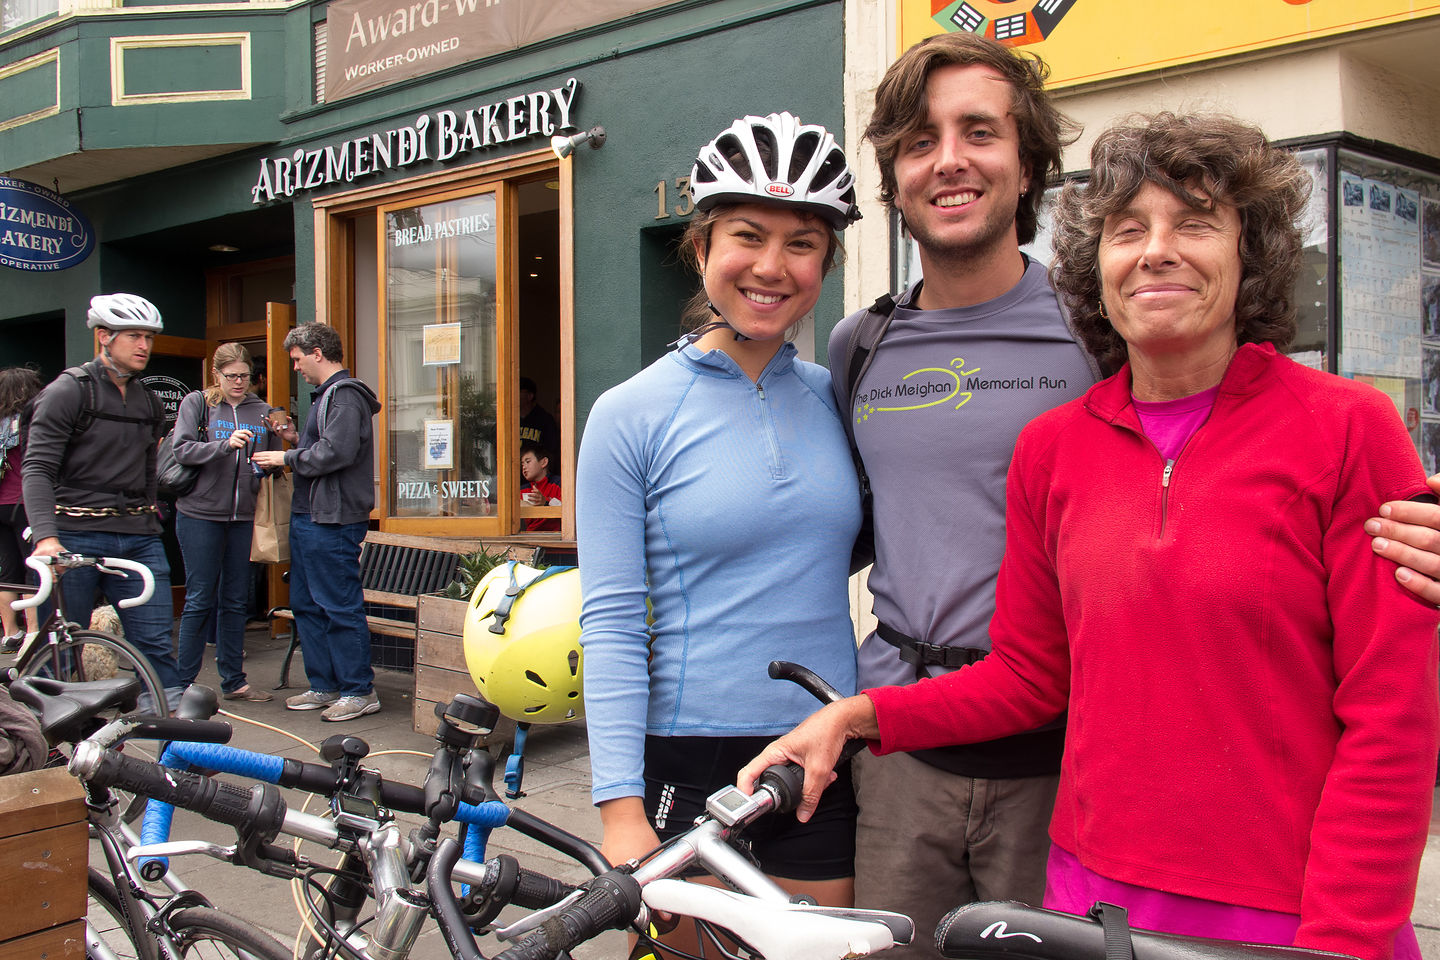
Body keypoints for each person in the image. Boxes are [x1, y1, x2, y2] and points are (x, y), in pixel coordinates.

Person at [741, 112, 1440, 960]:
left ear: (1249, 252)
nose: (1156, 251)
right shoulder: (1055, 446)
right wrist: (858, 716)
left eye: (1195, 223)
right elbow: (1032, 676)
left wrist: (1346, 939)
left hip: (1284, 912)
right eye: (1127, 229)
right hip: (1090, 897)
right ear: (1095, 264)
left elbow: (1392, 720)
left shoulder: (1345, 429)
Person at [577, 111, 864, 906]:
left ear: (825, 263)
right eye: (748, 235)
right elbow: (608, 621)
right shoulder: (629, 414)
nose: (772, 266)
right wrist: (619, 807)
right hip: (688, 756)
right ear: (702, 247)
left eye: (802, 243)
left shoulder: (836, 397)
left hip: (820, 744)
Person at [21, 293, 186, 710]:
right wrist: (45, 537)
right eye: (133, 335)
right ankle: (46, 735)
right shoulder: (68, 391)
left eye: (148, 337)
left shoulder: (148, 400)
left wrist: (151, 513)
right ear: (103, 336)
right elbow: (37, 468)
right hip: (74, 534)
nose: (144, 345)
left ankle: (173, 735)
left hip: (137, 536)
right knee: (59, 646)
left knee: (155, 640)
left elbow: (147, 467)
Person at [252, 322, 381, 723]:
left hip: (332, 519)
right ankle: (325, 685)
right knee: (307, 604)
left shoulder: (344, 396)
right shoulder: (329, 397)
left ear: (317, 353)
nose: (295, 368)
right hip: (313, 516)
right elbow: (326, 450)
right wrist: (294, 439)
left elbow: (336, 453)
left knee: (338, 606)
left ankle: (359, 691)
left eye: (296, 359)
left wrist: (285, 457)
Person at [171, 343, 281, 702]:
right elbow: (182, 449)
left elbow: (275, 459)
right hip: (199, 514)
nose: (238, 382)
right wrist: (224, 446)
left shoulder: (261, 410)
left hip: (244, 515)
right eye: (231, 376)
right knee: (200, 597)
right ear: (216, 374)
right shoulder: (199, 404)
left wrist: (275, 455)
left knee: (235, 600)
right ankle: (182, 684)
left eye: (245, 376)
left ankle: (234, 681)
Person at [0, 367, 43, 650]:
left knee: (6, 570)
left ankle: (9, 633)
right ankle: (33, 632)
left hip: (0, 505)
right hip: (25, 504)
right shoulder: (32, 421)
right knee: (33, 568)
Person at [519, 442, 560, 532]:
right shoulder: (521, 491)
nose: (524, 467)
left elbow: (568, 512)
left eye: (528, 462)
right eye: (522, 464)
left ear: (544, 462)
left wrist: (545, 503)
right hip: (528, 537)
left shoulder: (559, 484)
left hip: (555, 537)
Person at [518, 376, 560, 459]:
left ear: (530, 396)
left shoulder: (545, 420)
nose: (513, 395)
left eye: (518, 392)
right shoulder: (509, 420)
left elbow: (551, 451)